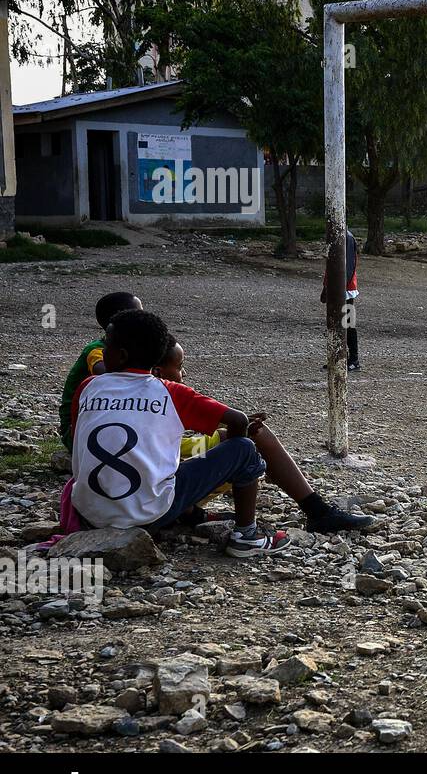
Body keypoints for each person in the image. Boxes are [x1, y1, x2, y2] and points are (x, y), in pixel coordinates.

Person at [68, 309, 290, 558]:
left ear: (120, 356)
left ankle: (189, 514)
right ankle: (246, 536)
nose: (102, 350)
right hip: (149, 514)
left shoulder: (88, 387)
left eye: (106, 344)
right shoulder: (171, 392)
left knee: (156, 461)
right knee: (244, 449)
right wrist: (234, 446)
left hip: (89, 513)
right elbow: (238, 419)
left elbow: (79, 442)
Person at [153, 337, 376, 533]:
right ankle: (250, 533)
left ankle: (317, 510)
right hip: (164, 489)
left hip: (138, 492)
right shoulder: (167, 392)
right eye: (180, 366)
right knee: (248, 441)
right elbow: (233, 421)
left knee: (241, 434)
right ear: (156, 370)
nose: (184, 373)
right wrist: (230, 439)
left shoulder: (122, 388)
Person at [59, 292, 143, 450]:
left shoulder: (127, 350)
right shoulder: (97, 350)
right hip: (76, 431)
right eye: (139, 313)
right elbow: (106, 374)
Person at [320, 228, 360, 371]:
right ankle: (338, 356)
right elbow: (331, 264)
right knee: (336, 322)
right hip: (337, 286)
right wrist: (326, 287)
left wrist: (340, 289)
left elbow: (349, 265)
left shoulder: (347, 237)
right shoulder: (336, 235)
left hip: (345, 288)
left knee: (348, 322)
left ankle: (354, 359)